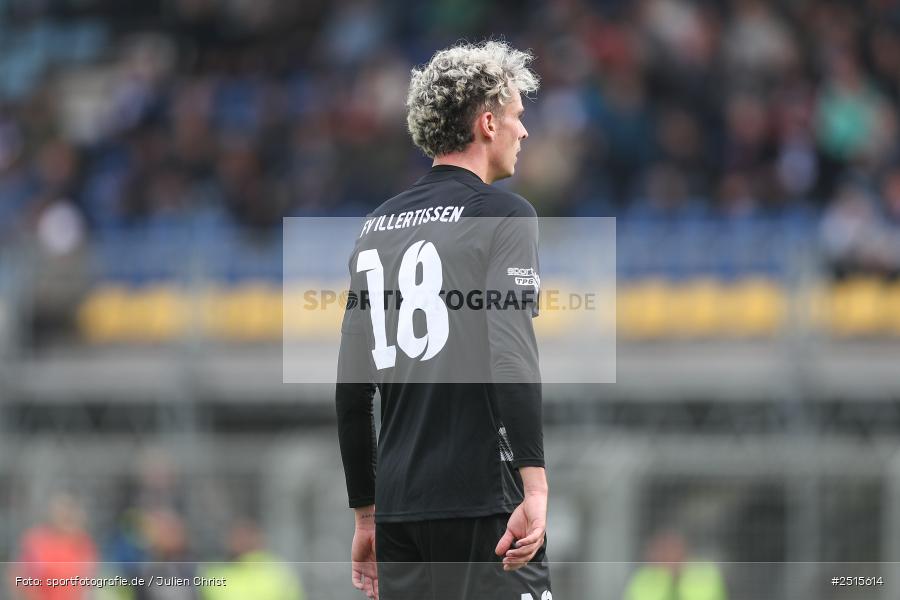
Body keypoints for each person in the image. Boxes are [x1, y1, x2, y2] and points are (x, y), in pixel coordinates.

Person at [335, 40, 550, 600]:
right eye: (516, 117)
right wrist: (536, 485)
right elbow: (510, 354)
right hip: (486, 503)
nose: (522, 132)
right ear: (486, 122)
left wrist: (366, 515)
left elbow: (352, 391)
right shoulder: (505, 215)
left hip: (401, 513)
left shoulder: (373, 229)